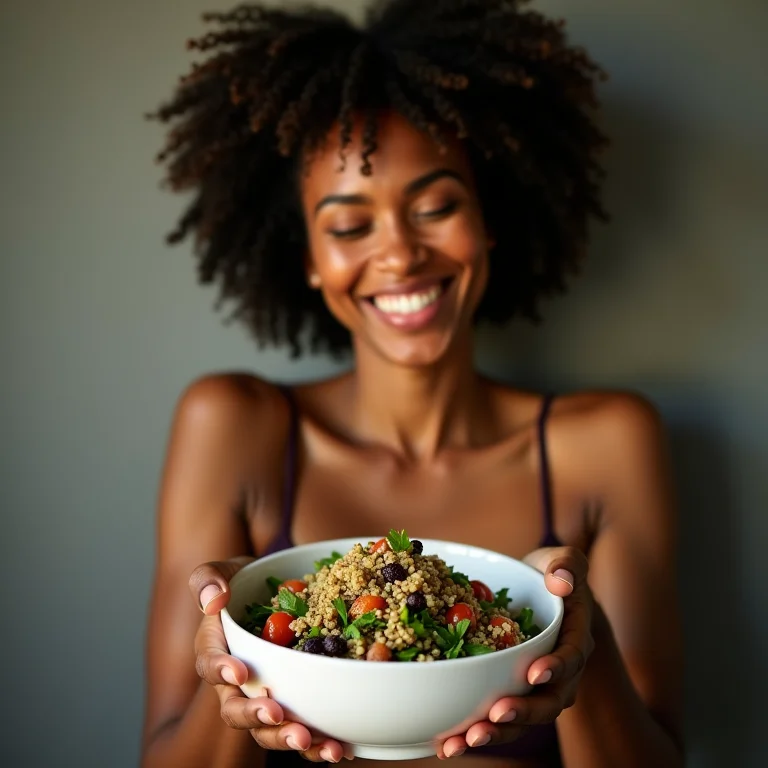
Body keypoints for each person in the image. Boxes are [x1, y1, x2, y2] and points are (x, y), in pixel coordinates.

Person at [141, 2, 684, 767]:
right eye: (348, 225)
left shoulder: (606, 441)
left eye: (435, 206)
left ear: (488, 220)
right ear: (307, 258)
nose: (398, 254)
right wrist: (233, 652)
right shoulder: (234, 426)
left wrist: (577, 639)